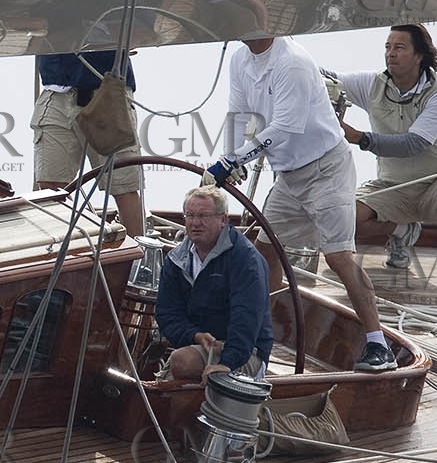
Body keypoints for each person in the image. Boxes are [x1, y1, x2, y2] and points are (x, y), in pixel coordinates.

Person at [209, 30, 396, 373]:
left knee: (339, 257)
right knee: (264, 252)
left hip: (327, 168)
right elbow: (237, 114)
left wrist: (235, 161)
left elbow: (285, 126)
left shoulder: (291, 62)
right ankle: (258, 340)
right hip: (289, 175)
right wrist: (228, 157)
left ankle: (378, 344)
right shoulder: (240, 60)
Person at [333, 24, 437, 308]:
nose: (390, 54)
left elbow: (414, 143)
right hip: (392, 188)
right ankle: (402, 231)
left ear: (419, 55)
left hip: (436, 186)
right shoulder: (371, 84)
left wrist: (359, 138)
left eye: (399, 47)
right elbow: (328, 78)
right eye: (387, 47)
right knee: (344, 220)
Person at [156, 185, 274, 382]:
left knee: (181, 362)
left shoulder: (245, 260)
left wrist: (226, 363)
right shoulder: (176, 259)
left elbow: (246, 318)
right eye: (190, 215)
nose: (195, 223)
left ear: (223, 220)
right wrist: (195, 335)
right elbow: (167, 313)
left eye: (203, 216)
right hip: (201, 344)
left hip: (246, 351)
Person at [30, 50, 145, 237]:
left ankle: (137, 262)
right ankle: (54, 258)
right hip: (55, 92)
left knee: (124, 187)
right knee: (49, 189)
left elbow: (145, 30)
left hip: (107, 91)